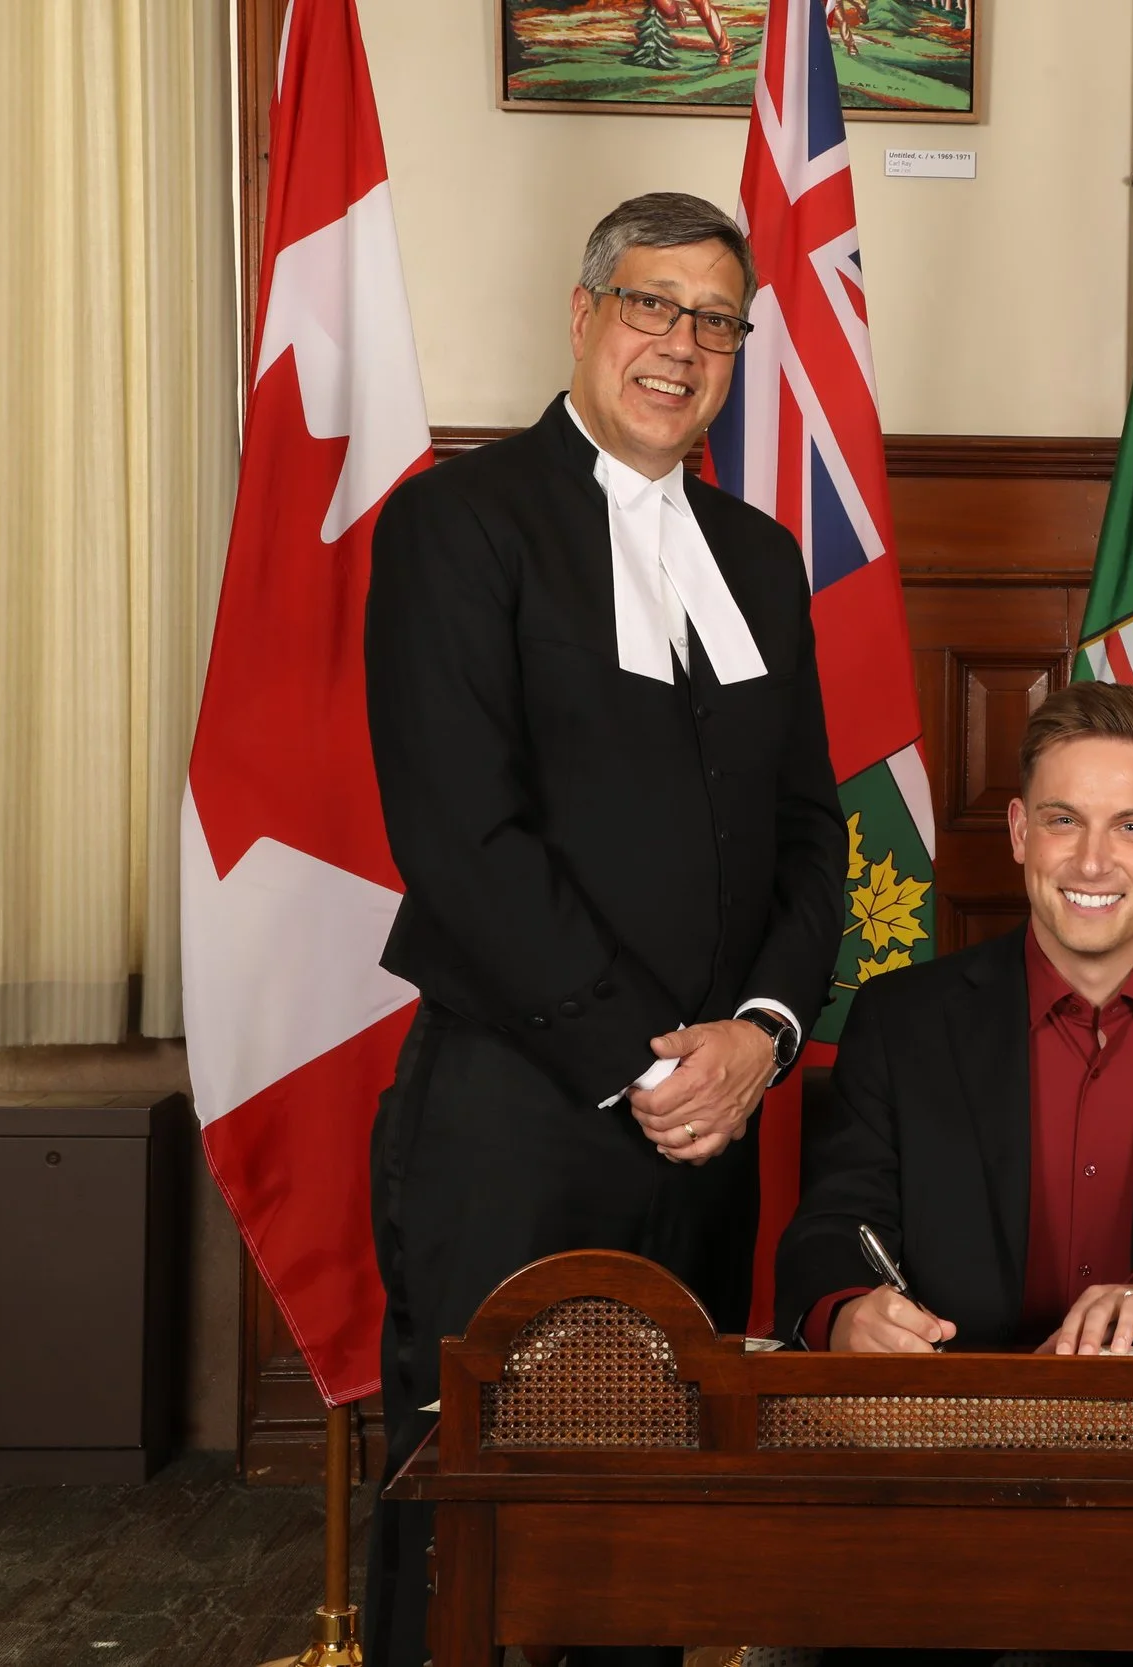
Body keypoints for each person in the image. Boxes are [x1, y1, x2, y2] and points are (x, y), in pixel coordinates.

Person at [361, 192, 847, 1667]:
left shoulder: (760, 556)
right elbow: (463, 839)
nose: (680, 344)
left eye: (715, 320)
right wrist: (650, 1062)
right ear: (584, 315)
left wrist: (759, 1039)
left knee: (649, 1513)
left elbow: (810, 835)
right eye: (652, 304)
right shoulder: (460, 522)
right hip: (519, 1112)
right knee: (472, 1519)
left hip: (710, 1121)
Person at [777, 680, 1133, 1359]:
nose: (1091, 860)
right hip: (948, 1430)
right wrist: (847, 1312)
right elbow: (829, 1237)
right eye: (1064, 820)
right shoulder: (899, 1022)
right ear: (1021, 831)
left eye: (1131, 826)